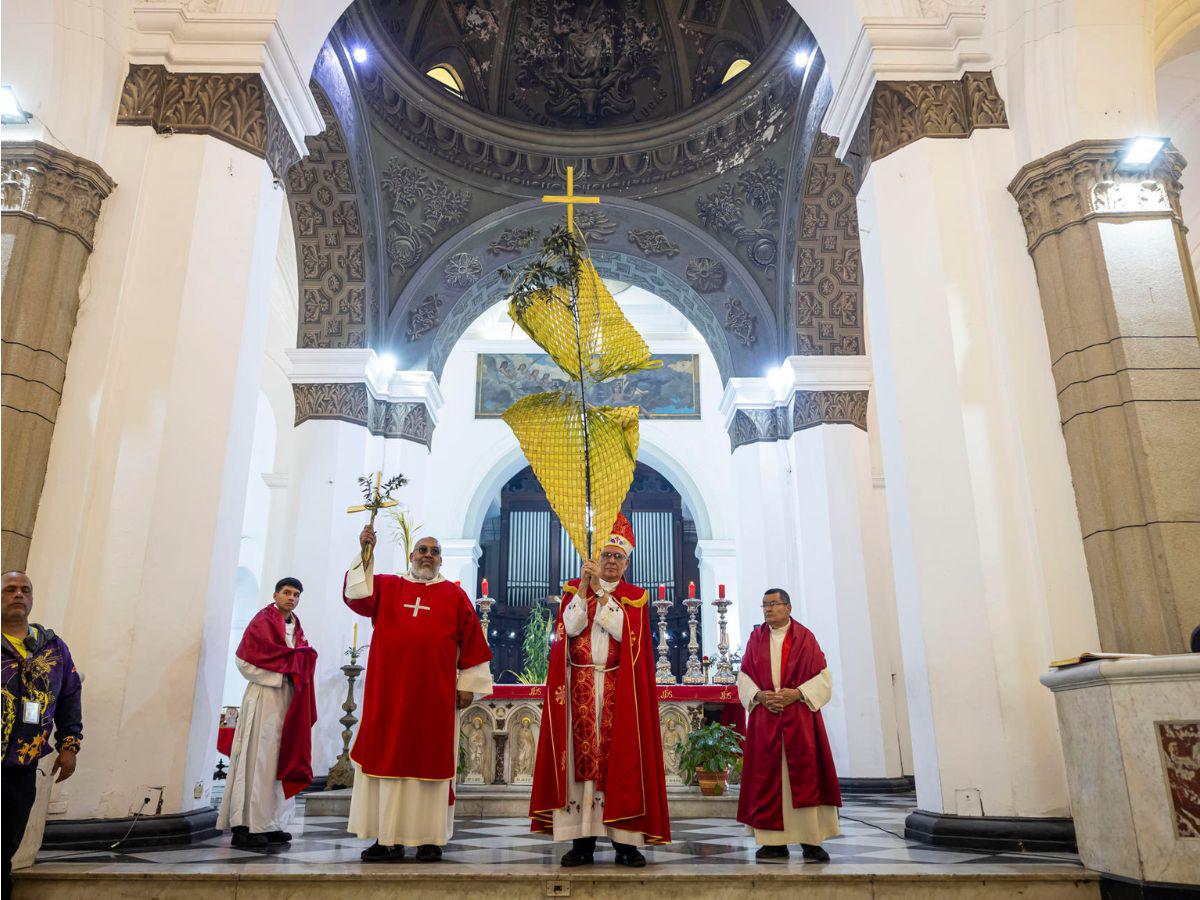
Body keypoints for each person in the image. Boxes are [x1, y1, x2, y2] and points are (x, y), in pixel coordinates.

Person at [529, 514, 670, 867]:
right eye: (606, 555)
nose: (611, 561)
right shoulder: (575, 591)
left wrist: (602, 595)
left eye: (618, 557)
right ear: (597, 558)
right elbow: (570, 626)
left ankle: (625, 844)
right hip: (579, 686)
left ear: (626, 563)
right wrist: (583, 589)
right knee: (580, 766)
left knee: (620, 763)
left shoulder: (634, 599)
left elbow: (624, 633)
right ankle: (582, 842)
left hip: (618, 690)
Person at [345, 528, 493, 862]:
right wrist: (365, 553)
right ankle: (387, 838)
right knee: (386, 759)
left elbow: (473, 642)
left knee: (431, 767)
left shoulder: (454, 596)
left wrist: (467, 684)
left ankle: (430, 839)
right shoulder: (387, 586)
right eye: (422, 550)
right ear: (411, 556)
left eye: (434, 552)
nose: (428, 556)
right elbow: (356, 596)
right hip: (388, 696)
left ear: (441, 560)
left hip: (434, 699)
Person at [737, 587, 841, 863]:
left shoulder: (805, 638)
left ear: (788, 607)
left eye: (773, 604)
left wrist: (797, 693)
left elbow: (823, 677)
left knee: (806, 777)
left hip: (799, 718)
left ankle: (811, 841)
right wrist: (759, 696)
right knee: (766, 778)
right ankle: (774, 843)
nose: (768, 609)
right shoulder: (756, 638)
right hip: (766, 717)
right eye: (764, 605)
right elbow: (744, 675)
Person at [217, 577, 318, 849]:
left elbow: (298, 658)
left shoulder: (297, 627)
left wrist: (301, 665)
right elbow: (243, 661)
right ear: (275, 594)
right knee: (257, 761)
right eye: (287, 592)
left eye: (296, 594)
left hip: (288, 700)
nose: (291, 598)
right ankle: (246, 825)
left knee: (280, 760)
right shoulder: (262, 622)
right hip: (264, 697)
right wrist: (281, 673)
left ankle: (272, 823)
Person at [1, 572, 82, 899]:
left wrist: (69, 745)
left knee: (6, 843)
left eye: (25, 590)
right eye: (9, 589)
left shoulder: (53, 647)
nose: (18, 594)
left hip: (21, 764)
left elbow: (70, 696)